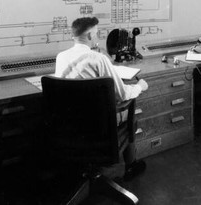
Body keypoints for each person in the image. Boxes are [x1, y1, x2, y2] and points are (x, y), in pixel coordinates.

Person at [55, 17, 148, 181]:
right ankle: (130, 165)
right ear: (90, 35)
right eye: (96, 34)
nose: (97, 37)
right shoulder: (99, 59)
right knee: (131, 118)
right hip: (98, 127)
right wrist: (140, 86)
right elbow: (122, 94)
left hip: (69, 127)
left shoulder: (61, 57)